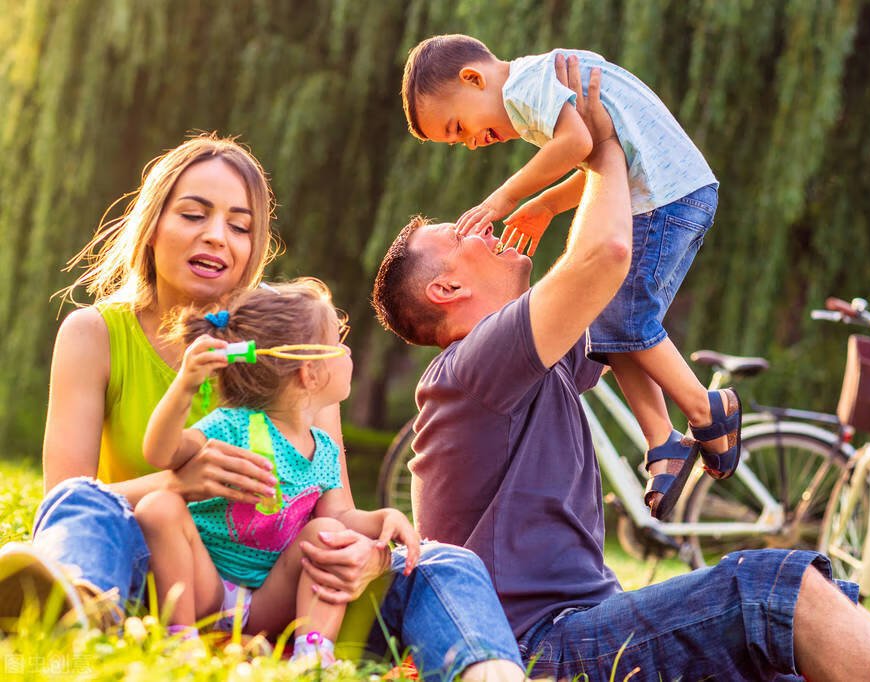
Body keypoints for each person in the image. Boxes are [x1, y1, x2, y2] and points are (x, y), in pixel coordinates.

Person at [374, 57, 870, 680]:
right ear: (445, 289)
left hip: (592, 625)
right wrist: (601, 145)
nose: (484, 228)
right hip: (541, 651)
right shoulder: (469, 370)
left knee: (794, 642)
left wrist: (583, 173)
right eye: (461, 232)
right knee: (767, 590)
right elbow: (606, 255)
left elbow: (613, 307)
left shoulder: (532, 362)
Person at [0, 134, 524, 681]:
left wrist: (366, 554)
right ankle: (72, 615)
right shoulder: (95, 333)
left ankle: (488, 673)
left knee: (444, 563)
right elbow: (68, 499)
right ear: (152, 225)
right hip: (149, 574)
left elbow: (332, 511)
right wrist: (177, 484)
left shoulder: (293, 345)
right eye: (194, 214)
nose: (216, 236)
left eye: (240, 225)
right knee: (83, 507)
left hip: (282, 598)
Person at [402, 34, 737, 520]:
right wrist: (545, 205)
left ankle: (707, 410)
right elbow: (600, 156)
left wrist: (505, 198)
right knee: (608, 324)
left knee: (628, 318)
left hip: (667, 198)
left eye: (459, 127)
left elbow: (581, 144)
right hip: (664, 193)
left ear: (473, 79)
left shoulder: (528, 85)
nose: (472, 143)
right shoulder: (539, 93)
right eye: (459, 142)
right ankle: (663, 441)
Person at [136, 278, 421, 667]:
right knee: (157, 507)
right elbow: (160, 452)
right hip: (208, 590)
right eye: (339, 344)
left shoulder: (322, 449)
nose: (348, 351)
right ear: (309, 372)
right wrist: (185, 386)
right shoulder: (234, 426)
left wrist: (382, 518)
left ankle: (312, 653)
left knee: (329, 534)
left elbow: (339, 517)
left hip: (271, 602)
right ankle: (179, 639)